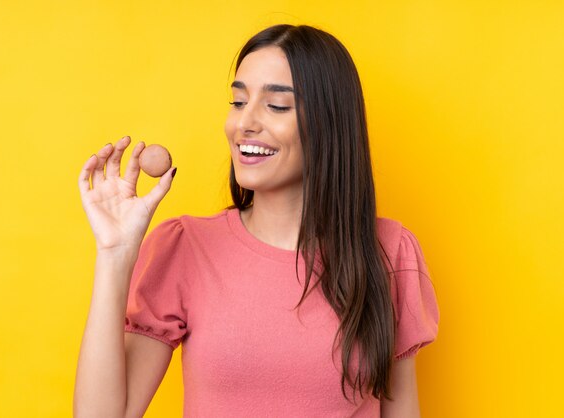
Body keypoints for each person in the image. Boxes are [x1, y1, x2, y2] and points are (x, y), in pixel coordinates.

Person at [74, 24, 439, 418]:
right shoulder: (186, 246)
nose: (244, 123)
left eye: (276, 106)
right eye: (238, 102)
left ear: (329, 124)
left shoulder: (389, 252)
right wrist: (115, 255)